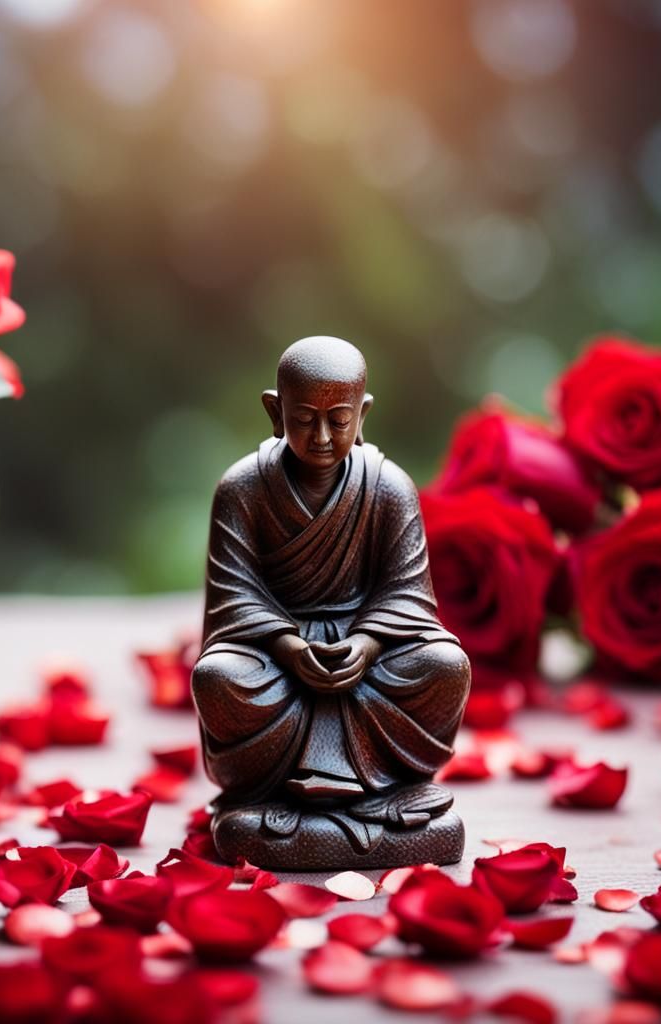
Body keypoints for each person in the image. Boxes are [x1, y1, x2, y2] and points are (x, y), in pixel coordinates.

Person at [192, 336, 470, 866]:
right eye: (304, 418)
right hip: (274, 656)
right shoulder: (242, 488)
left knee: (445, 665)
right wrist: (289, 646)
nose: (321, 436)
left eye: (337, 420)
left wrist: (365, 643)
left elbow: (407, 590)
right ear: (275, 411)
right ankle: (276, 798)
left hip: (369, 657)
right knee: (217, 678)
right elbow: (234, 593)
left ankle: (385, 788)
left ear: (362, 414)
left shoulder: (389, 487)